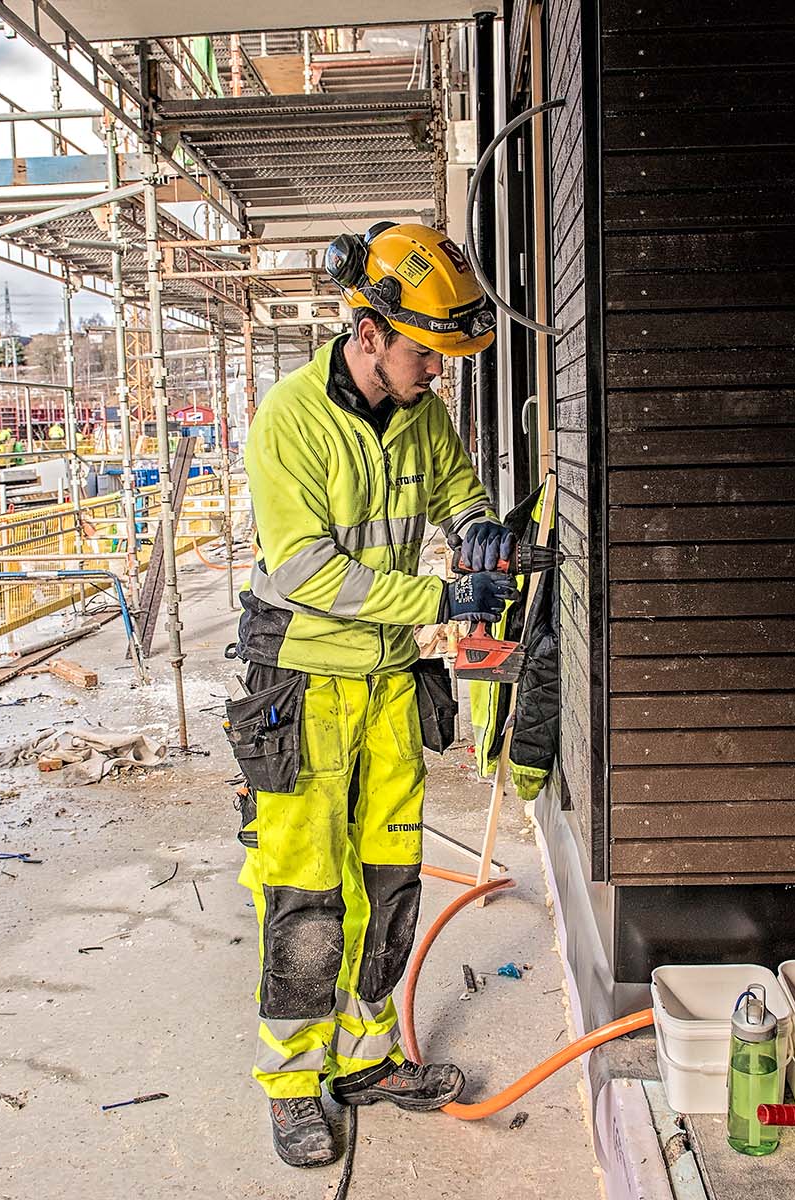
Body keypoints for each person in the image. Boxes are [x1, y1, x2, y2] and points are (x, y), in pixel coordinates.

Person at [231, 222, 516, 1169]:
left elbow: (457, 487)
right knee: (307, 897)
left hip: (389, 686)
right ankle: (291, 1085)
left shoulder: (419, 415)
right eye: (424, 354)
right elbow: (309, 569)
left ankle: (365, 1059)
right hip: (305, 686)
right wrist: (438, 593)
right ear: (369, 335)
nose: (436, 373)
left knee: (388, 885)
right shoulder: (288, 422)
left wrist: (476, 532)